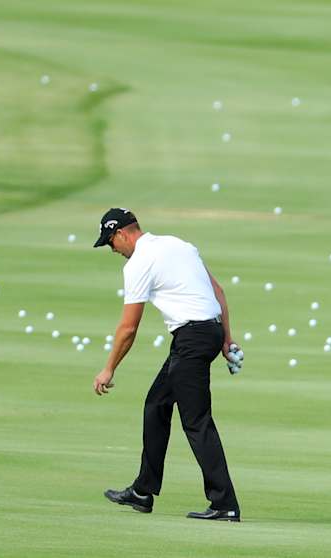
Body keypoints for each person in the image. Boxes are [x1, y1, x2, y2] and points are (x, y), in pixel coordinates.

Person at [91, 208, 240, 522]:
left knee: (197, 421)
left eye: (111, 242)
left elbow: (129, 327)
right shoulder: (178, 244)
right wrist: (226, 339)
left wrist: (109, 368)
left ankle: (224, 503)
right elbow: (218, 291)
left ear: (122, 233)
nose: (112, 250)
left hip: (192, 338)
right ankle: (143, 490)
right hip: (206, 332)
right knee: (157, 404)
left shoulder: (139, 264)